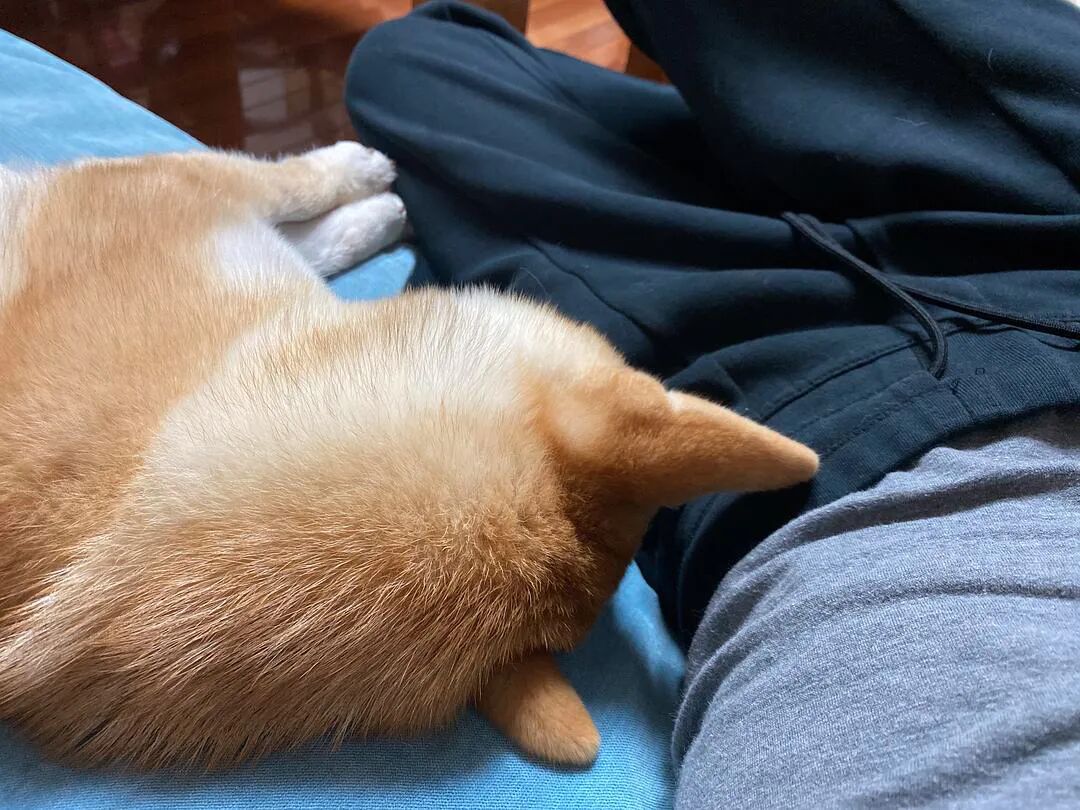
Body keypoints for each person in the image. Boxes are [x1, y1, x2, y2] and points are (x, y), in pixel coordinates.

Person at [345, 2, 1080, 805]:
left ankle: (763, 152)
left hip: (773, 421)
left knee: (408, 60)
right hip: (1047, 271)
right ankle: (779, 145)